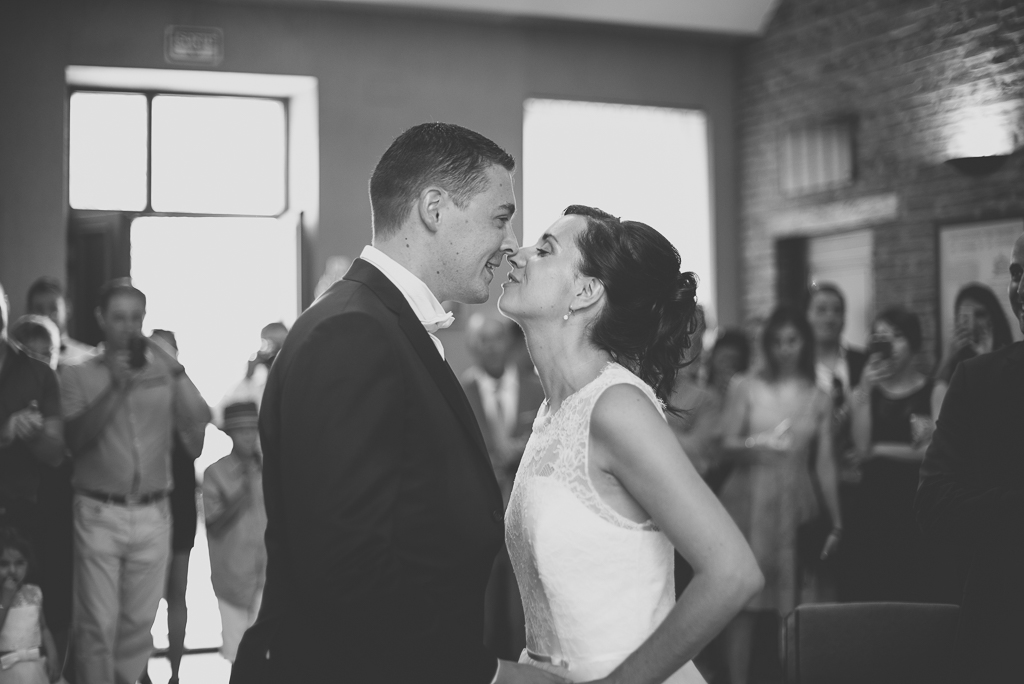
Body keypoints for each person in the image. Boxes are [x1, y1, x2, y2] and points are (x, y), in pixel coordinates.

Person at [231, 123, 566, 684]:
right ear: (434, 208)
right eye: (500, 217)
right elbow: (346, 574)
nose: (511, 243)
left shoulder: (375, 323)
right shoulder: (352, 335)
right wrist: (488, 676)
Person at [498, 205, 763, 684]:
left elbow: (733, 573)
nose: (515, 256)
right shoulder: (552, 412)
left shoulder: (615, 406)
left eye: (543, 250)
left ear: (585, 291)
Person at [59, 279, 211, 684]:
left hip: (154, 514)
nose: (129, 327)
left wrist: (172, 364)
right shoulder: (75, 374)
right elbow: (76, 440)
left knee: (138, 627)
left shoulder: (162, 371)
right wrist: (116, 387)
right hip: (98, 512)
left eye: (136, 318)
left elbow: (200, 415)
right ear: (101, 320)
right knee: (97, 625)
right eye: (119, 318)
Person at [916, 232, 1024, 683]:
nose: (1019, 287)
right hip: (1003, 616)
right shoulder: (979, 381)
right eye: (1016, 273)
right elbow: (934, 499)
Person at [717, 305, 840, 684]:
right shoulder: (746, 385)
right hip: (749, 496)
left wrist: (836, 520)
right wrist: (759, 442)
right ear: (768, 344)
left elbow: (825, 462)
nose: (786, 348)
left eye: (793, 340)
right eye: (778, 341)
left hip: (795, 499)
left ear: (804, 342)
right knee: (744, 600)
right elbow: (725, 443)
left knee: (795, 601)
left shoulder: (820, 395)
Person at [462, 314, 544, 661]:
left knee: (523, 607)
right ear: (472, 346)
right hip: (477, 516)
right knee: (480, 608)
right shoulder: (458, 390)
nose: (490, 346)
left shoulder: (537, 387)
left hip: (528, 515)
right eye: (482, 339)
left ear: (509, 342)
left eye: (496, 338)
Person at [846, 306, 939, 602]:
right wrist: (865, 387)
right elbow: (860, 446)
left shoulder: (933, 390)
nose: (891, 345)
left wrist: (878, 450)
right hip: (873, 502)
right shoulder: (864, 391)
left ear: (913, 341)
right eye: (882, 338)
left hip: (916, 502)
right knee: (874, 588)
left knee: (915, 586)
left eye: (898, 336)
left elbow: (930, 452)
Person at [137, 330, 198, 684]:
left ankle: (175, 674)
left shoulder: (185, 399)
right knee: (142, 598)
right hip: (148, 505)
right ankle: (141, 673)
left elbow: (197, 446)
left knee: (177, 593)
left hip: (180, 504)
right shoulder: (141, 395)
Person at [202, 401, 266, 664]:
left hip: (267, 574)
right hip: (232, 575)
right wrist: (244, 491)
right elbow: (213, 526)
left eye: (254, 429)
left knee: (267, 652)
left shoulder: (270, 469)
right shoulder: (215, 472)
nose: (250, 436)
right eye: (242, 430)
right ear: (228, 433)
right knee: (238, 654)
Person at [931, 282, 1013, 416]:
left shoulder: (1009, 357)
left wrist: (988, 359)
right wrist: (947, 358)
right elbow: (933, 401)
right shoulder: (955, 360)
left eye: (980, 314)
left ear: (993, 317)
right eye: (965, 316)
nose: (973, 322)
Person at [0, 528, 61, 684]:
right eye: (4, 564)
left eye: (19, 563)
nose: (12, 571)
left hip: (34, 668)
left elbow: (44, 628)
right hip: (6, 670)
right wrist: (5, 601)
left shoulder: (34, 592)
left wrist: (53, 655)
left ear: (28, 563)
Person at [25, 278, 95, 368]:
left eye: (53, 308)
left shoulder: (90, 357)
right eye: (39, 309)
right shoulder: (20, 362)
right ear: (29, 313)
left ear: (68, 309)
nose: (46, 316)